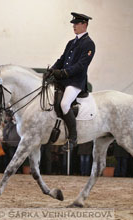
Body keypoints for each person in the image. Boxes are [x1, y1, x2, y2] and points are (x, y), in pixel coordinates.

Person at [50, 12, 95, 150]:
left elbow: (82, 65)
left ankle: (73, 138)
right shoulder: (71, 42)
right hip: (64, 80)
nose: (74, 26)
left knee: (64, 104)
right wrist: (52, 70)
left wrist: (64, 72)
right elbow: (62, 59)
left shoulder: (89, 44)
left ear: (84, 25)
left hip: (76, 82)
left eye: (76, 23)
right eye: (73, 24)